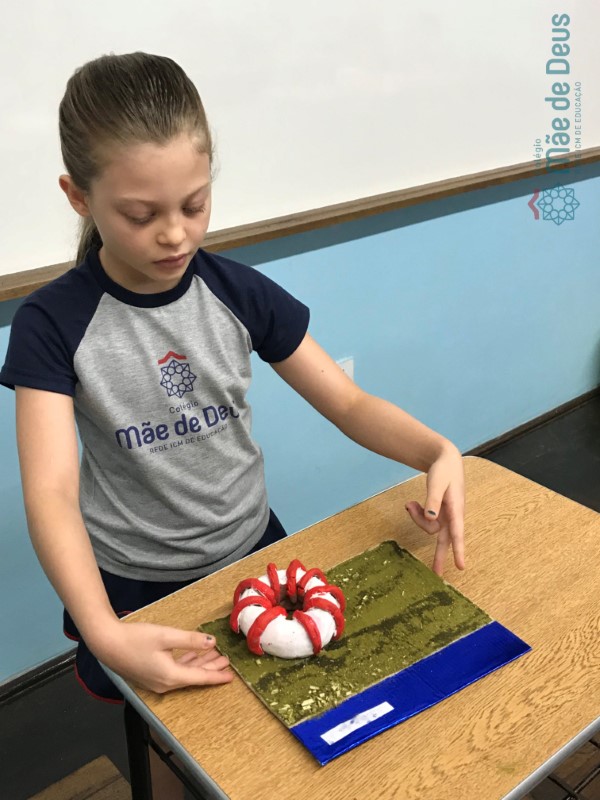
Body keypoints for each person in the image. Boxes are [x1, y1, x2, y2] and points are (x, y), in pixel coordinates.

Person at [0, 52, 465, 798]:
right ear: (78, 197)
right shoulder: (52, 324)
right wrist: (105, 631)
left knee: (272, 744)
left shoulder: (237, 292)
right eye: (142, 215)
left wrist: (437, 450)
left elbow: (347, 403)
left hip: (253, 553)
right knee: (175, 743)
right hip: (135, 587)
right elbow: (51, 492)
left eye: (195, 204)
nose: (175, 235)